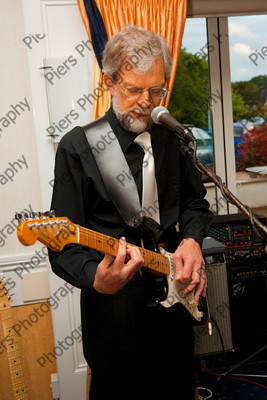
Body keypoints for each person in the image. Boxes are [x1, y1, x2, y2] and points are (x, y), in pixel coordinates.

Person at [48, 24, 213, 400]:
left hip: (175, 310)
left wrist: (192, 239)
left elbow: (195, 202)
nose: (146, 100)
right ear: (109, 82)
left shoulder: (172, 136)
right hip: (114, 318)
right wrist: (96, 279)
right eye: (134, 89)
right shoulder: (79, 146)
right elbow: (63, 247)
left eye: (156, 89)